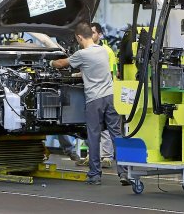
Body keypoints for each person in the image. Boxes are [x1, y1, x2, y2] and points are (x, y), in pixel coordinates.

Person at [49, 22, 129, 186]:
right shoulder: (104, 50)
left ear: (79, 37)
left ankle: (94, 175)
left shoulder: (82, 54)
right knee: (116, 135)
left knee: (94, 137)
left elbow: (62, 64)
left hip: (95, 100)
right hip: (110, 97)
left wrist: (49, 63)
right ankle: (124, 173)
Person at [76, 23, 116, 168]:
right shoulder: (85, 50)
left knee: (103, 130)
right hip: (99, 94)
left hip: (102, 94)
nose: (90, 36)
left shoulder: (106, 51)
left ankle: (106, 157)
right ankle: (93, 158)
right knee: (95, 130)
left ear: (99, 34)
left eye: (93, 33)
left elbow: (110, 73)